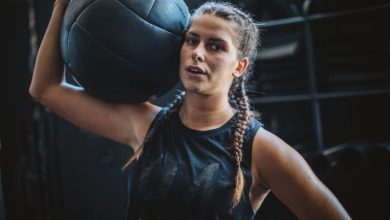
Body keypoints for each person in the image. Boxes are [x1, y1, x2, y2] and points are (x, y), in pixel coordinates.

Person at [29, 0, 351, 219]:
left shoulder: (262, 150)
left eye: (214, 46)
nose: (197, 53)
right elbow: (45, 89)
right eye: (191, 40)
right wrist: (61, 8)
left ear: (239, 66)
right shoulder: (146, 124)